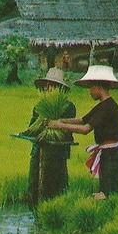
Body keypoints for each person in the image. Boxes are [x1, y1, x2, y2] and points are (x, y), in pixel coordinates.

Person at [47, 65, 118, 200]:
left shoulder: (107, 107)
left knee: (107, 194)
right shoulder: (103, 105)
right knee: (107, 191)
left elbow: (85, 129)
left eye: (91, 88)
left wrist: (59, 125)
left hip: (113, 154)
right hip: (109, 153)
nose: (90, 92)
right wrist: (61, 120)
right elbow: (82, 120)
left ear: (98, 87)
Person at [24, 67, 76, 208]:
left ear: (60, 88)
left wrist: (53, 124)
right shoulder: (39, 106)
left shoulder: (68, 107)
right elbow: (32, 127)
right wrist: (42, 124)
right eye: (47, 86)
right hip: (38, 152)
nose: (48, 89)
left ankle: (56, 217)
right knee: (34, 186)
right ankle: (36, 218)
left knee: (57, 187)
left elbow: (67, 132)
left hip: (58, 154)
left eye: (52, 86)